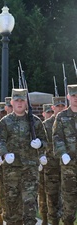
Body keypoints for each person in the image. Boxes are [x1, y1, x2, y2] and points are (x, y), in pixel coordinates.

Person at [0, 88, 47, 225]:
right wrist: (5, 154)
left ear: (26, 103)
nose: (19, 103)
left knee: (29, 206)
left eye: (22, 100)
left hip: (30, 169)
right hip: (11, 170)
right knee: (12, 207)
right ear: (12, 102)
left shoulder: (35, 122)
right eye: (16, 100)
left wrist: (40, 144)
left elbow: (46, 141)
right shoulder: (5, 122)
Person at [52, 84, 77, 225]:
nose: (76, 99)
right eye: (73, 96)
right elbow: (57, 137)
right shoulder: (62, 117)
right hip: (69, 167)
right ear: (68, 97)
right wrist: (62, 153)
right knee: (69, 203)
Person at [41, 97, 65, 225]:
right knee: (52, 198)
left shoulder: (68, 122)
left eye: (62, 105)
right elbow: (40, 143)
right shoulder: (45, 125)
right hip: (51, 167)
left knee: (67, 198)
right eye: (58, 106)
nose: (60, 108)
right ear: (53, 108)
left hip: (67, 167)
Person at [38, 103, 54, 225]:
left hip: (57, 165)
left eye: (51, 112)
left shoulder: (60, 124)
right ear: (43, 114)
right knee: (43, 194)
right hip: (44, 166)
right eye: (47, 112)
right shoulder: (42, 127)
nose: (50, 114)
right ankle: (44, 218)